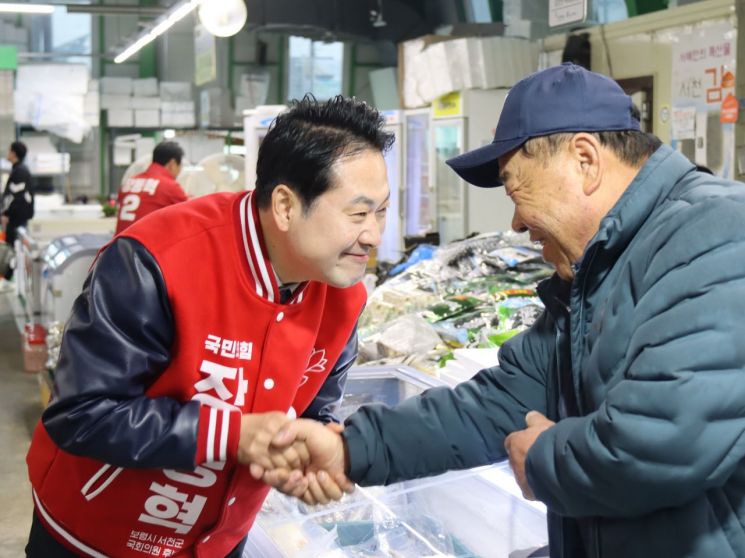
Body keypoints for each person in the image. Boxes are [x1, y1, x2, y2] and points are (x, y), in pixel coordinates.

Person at [256, 63, 745, 558]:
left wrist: (542, 461)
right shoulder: (591, 274)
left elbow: (666, 440)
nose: (515, 223)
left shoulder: (718, 233)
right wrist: (351, 448)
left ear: (584, 160)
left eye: (516, 188)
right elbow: (498, 403)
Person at [25, 95, 392, 557]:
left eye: (381, 212)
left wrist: (306, 458)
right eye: (358, 214)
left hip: (216, 540)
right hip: (94, 536)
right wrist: (232, 434)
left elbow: (313, 413)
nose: (374, 235)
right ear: (284, 205)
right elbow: (81, 413)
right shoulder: (157, 260)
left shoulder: (343, 296)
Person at [114, 141, 188, 234]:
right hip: (144, 246)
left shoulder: (129, 182)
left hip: (118, 244)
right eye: (180, 166)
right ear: (172, 164)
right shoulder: (170, 186)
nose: (179, 171)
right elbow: (189, 215)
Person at [1, 141, 34, 277]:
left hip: (16, 219)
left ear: (14, 153)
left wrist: (6, 214)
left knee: (14, 251)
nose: (7, 153)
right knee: (14, 250)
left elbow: (16, 197)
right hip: (16, 218)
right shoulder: (18, 169)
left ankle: (12, 279)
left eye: (9, 151)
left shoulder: (20, 171)